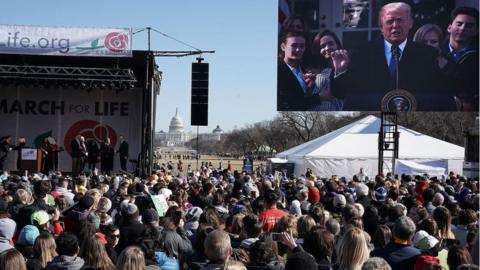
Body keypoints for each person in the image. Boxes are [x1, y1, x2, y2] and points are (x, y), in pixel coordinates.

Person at [331, 2, 456, 111]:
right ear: (381, 27)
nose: (395, 25)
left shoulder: (427, 54)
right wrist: (340, 70)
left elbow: (441, 94)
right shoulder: (362, 52)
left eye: (400, 20)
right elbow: (341, 93)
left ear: (410, 23)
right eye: (390, 21)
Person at [443, 6, 479, 111]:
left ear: (476, 31)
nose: (463, 28)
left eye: (469, 25)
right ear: (449, 27)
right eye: (459, 24)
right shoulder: (435, 52)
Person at [277, 31, 322, 111]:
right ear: (283, 47)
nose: (298, 49)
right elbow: (290, 106)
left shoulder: (306, 68)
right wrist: (320, 97)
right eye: (294, 45)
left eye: (302, 46)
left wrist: (310, 89)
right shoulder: (278, 72)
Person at [307, 30, 345, 111]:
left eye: (331, 44)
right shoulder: (315, 69)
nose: (327, 48)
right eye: (322, 46)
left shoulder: (345, 63)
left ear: (337, 45)